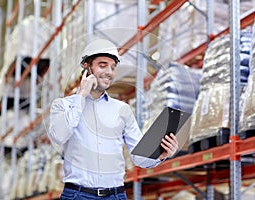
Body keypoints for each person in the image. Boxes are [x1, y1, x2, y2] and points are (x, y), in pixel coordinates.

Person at [48, 39, 178, 200]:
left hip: (115, 195)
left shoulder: (122, 109)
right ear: (86, 66)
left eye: (113, 67)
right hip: (77, 195)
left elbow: (139, 157)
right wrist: (81, 95)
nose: (109, 72)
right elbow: (59, 135)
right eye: (103, 65)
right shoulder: (63, 105)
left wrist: (161, 154)